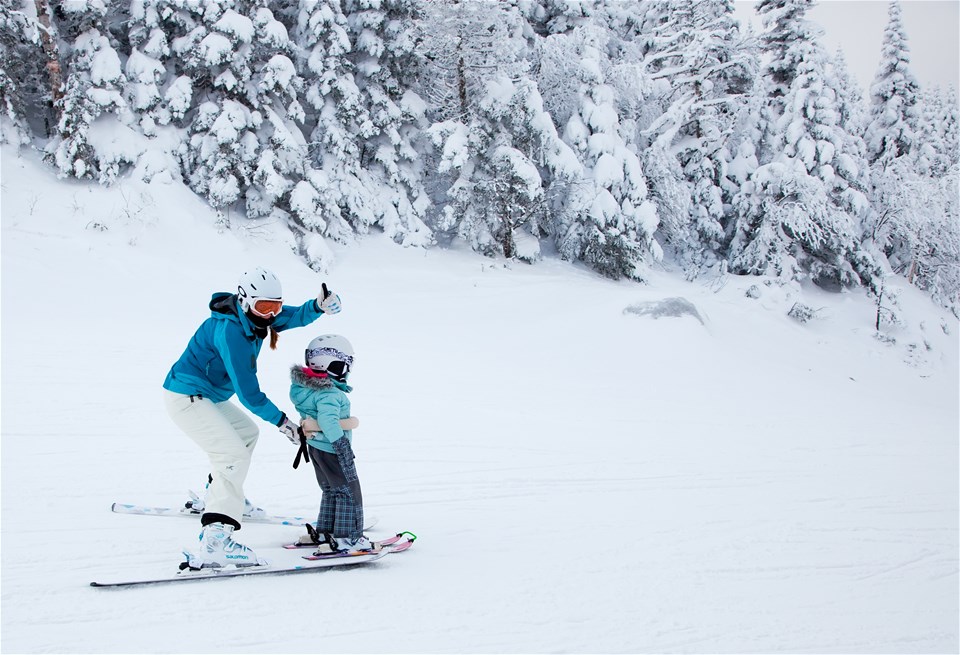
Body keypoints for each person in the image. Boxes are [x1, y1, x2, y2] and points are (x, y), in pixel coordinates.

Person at [162, 267, 342, 569]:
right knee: (231, 454)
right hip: (187, 396)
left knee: (246, 433)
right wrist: (283, 422)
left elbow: (291, 317)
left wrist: (317, 306)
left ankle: (220, 494)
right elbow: (248, 393)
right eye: (264, 307)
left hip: (207, 396)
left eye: (275, 306)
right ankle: (216, 539)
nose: (271, 315)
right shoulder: (231, 331)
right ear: (245, 301)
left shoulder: (256, 319)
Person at [289, 334, 373, 555]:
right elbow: (328, 421)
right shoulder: (330, 394)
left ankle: (327, 531)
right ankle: (348, 538)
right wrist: (342, 444)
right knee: (348, 491)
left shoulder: (304, 389)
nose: (346, 371)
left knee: (330, 490)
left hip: (316, 448)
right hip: (332, 448)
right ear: (332, 364)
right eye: (345, 365)